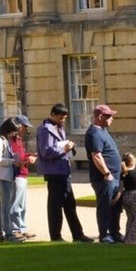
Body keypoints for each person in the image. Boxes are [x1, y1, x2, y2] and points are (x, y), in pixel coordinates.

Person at [36, 103, 91, 243]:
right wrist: (64, 149)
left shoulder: (59, 127)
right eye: (61, 117)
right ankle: (56, 236)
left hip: (63, 170)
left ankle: (78, 234)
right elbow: (45, 151)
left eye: (65, 118)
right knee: (55, 206)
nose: (63, 120)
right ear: (53, 114)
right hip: (53, 171)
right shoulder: (45, 130)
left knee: (70, 203)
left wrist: (69, 147)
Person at [85, 104, 122, 244]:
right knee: (105, 206)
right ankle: (104, 234)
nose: (112, 118)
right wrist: (107, 173)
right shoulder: (94, 133)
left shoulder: (103, 131)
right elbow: (96, 156)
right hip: (104, 178)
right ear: (100, 117)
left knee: (115, 207)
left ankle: (115, 232)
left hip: (114, 176)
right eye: (109, 116)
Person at [0, 117, 24, 243]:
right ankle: (8, 233)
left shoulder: (4, 140)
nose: (14, 134)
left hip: (6, 175)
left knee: (3, 205)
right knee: (6, 206)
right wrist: (13, 162)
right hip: (2, 176)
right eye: (13, 131)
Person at [8, 115, 37, 239]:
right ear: (18, 126)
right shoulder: (12, 139)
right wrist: (28, 158)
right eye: (25, 127)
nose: (26, 130)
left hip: (23, 174)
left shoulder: (18, 140)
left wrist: (30, 156)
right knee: (16, 204)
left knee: (23, 205)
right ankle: (15, 230)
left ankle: (22, 228)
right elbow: (16, 158)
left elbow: (22, 155)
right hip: (17, 174)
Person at [119, 153, 136, 244]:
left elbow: (121, 188)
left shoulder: (123, 174)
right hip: (133, 196)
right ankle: (132, 239)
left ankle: (127, 237)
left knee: (130, 218)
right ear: (133, 163)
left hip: (125, 195)